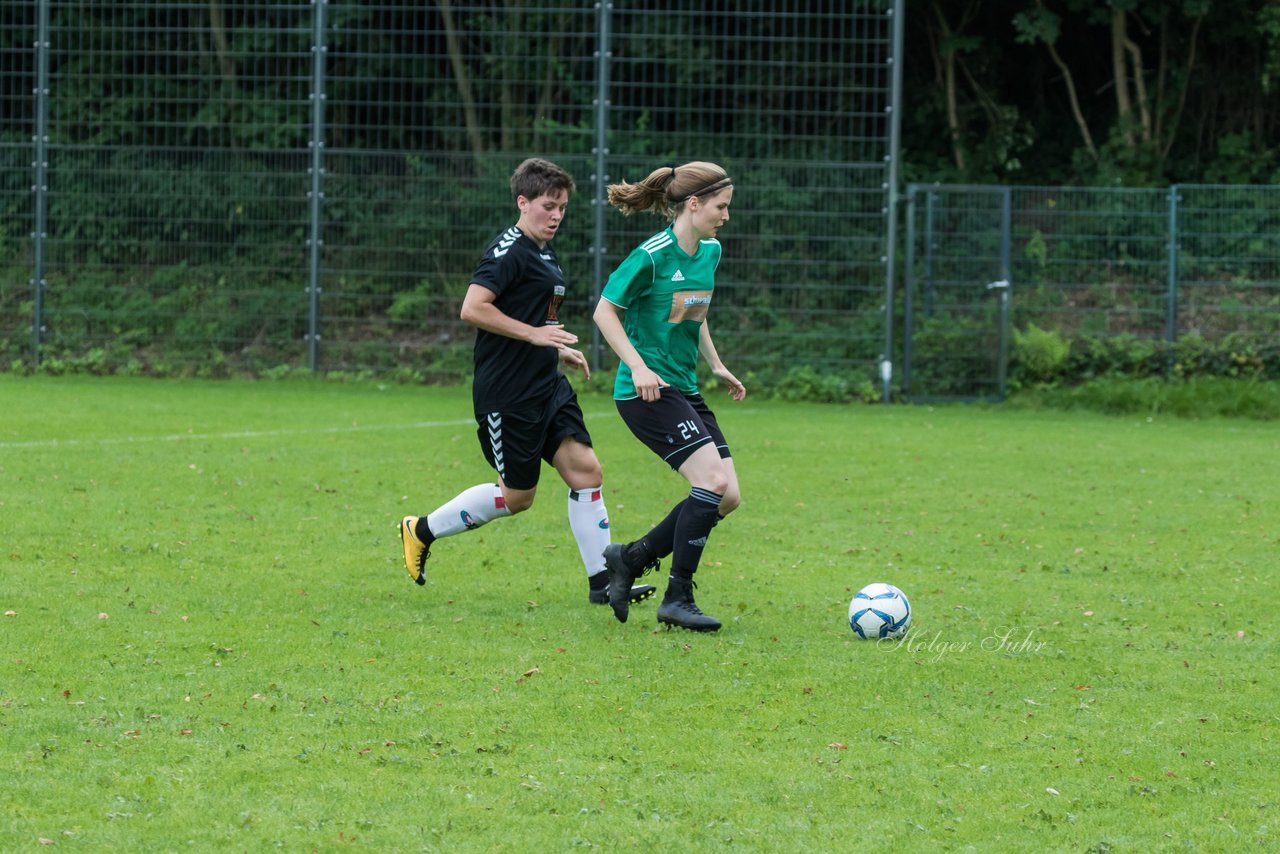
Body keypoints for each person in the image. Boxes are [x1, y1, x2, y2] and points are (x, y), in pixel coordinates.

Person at [399, 157, 655, 607]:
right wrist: (537, 335)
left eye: (562, 207)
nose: (556, 215)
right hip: (507, 394)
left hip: (545, 385)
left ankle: (604, 582)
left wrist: (554, 348)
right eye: (548, 205)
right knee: (518, 498)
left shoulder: (544, 252)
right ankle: (420, 529)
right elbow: (473, 308)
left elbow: (530, 316)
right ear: (523, 201)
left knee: (587, 471)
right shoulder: (509, 249)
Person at [592, 161, 746, 632]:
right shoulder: (652, 255)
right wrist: (638, 367)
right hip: (646, 391)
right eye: (720, 207)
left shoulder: (710, 252)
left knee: (728, 496)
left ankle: (631, 558)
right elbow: (603, 312)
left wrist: (716, 363)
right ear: (693, 204)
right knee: (713, 483)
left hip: (684, 386)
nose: (725, 216)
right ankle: (677, 596)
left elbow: (693, 312)